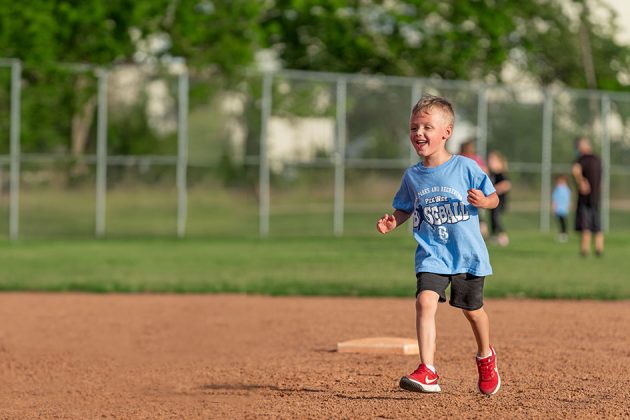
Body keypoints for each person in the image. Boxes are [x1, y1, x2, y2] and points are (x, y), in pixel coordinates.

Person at [376, 95, 501, 395]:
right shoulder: (413, 176)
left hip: (467, 255)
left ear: (446, 132)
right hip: (432, 254)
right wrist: (394, 221)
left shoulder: (466, 167)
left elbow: (493, 197)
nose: (419, 133)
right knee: (425, 302)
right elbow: (406, 207)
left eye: (427, 127)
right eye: (414, 127)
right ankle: (428, 370)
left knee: (472, 311)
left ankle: (486, 356)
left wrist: (484, 201)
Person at [572, 137, 603, 257]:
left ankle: (584, 251)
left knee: (586, 225)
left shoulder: (581, 159)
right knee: (597, 225)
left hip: (585, 198)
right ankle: (599, 249)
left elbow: (575, 170)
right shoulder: (597, 160)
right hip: (595, 197)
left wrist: (581, 182)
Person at [459, 139, 489, 237]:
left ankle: (481, 231)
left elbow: (484, 171)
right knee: (475, 212)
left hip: (468, 190)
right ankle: (481, 231)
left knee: (473, 212)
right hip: (468, 189)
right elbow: (484, 171)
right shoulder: (463, 158)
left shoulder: (464, 158)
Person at [487, 151, 511, 246]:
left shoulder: (500, 174)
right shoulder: (491, 174)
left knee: (496, 217)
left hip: (500, 200)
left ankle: (503, 236)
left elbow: (507, 184)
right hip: (492, 201)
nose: (490, 162)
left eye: (493, 160)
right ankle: (494, 235)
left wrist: (493, 190)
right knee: (492, 217)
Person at [551, 174, 571, 242]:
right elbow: (555, 199)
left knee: (564, 222)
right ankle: (561, 234)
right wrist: (554, 207)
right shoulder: (557, 189)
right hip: (558, 209)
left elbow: (568, 199)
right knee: (559, 222)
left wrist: (568, 206)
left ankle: (564, 234)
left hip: (564, 209)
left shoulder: (566, 189)